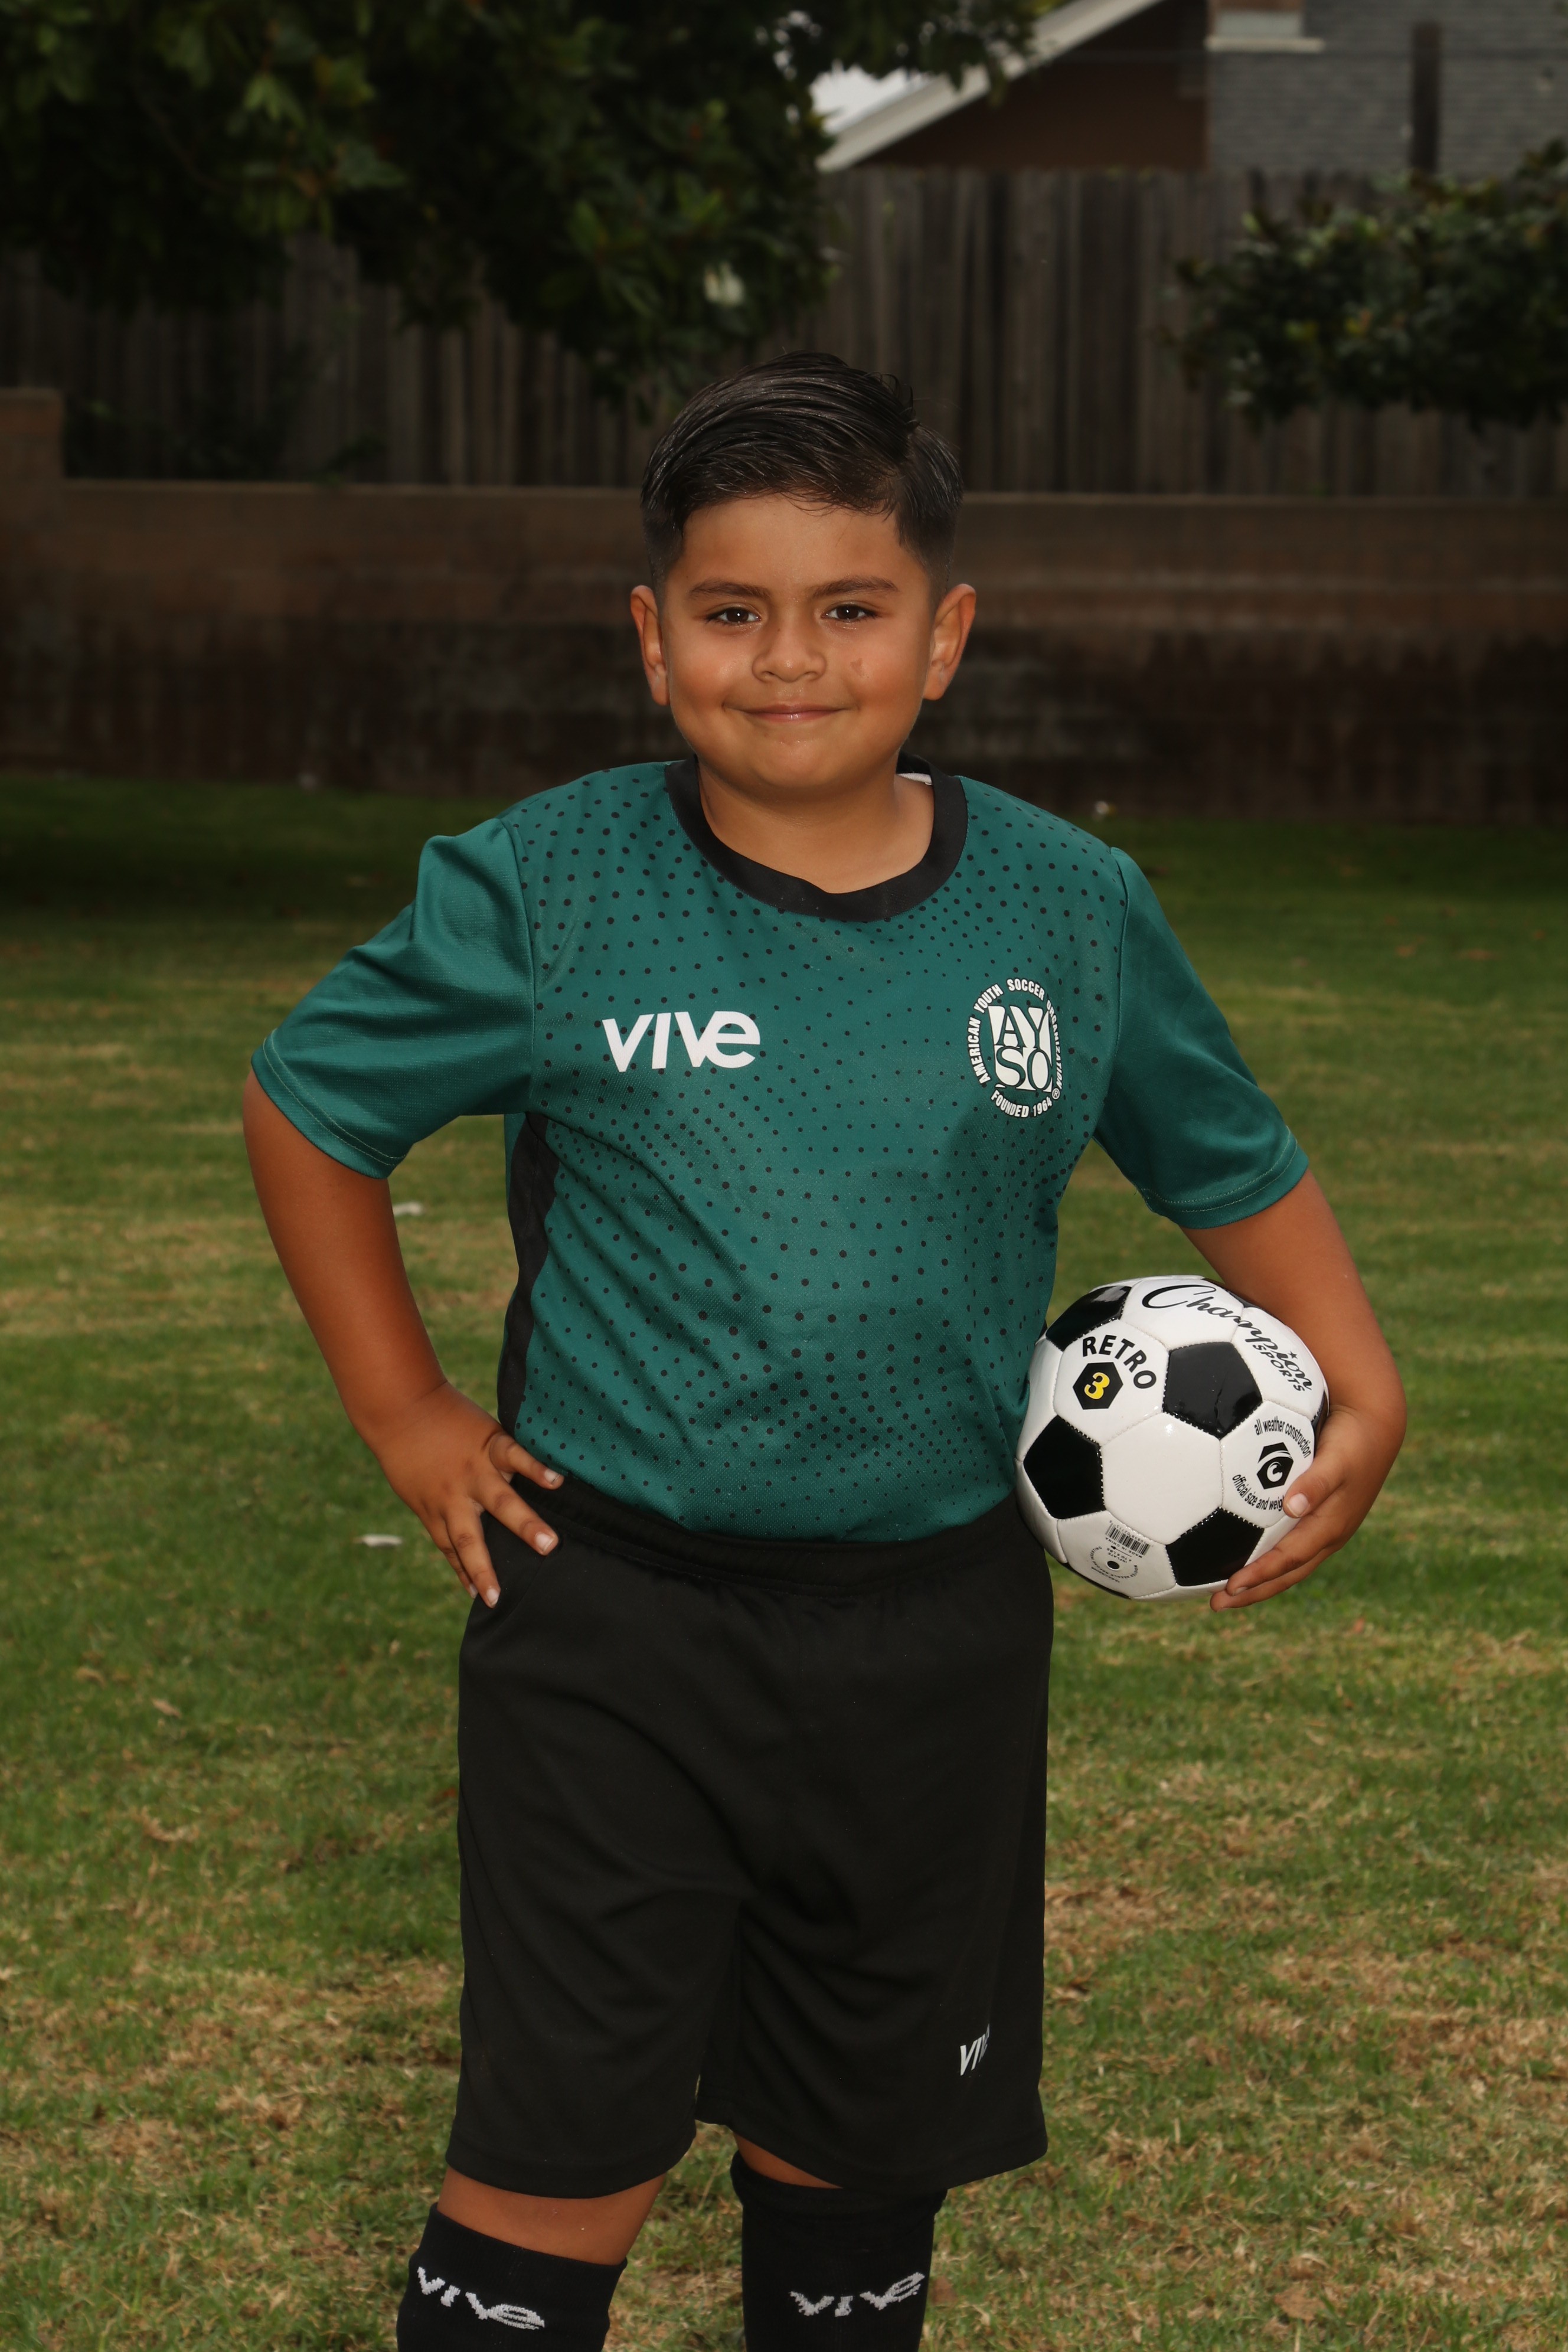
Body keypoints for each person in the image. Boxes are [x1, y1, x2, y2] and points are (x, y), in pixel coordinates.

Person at [243, 353, 1406, 2350]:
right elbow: (309, 1106)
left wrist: (1360, 1377)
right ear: (653, 637)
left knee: (856, 2164)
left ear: (943, 637)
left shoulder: (1066, 905)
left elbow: (1225, 1149)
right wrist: (408, 1411)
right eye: (734, 610)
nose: (791, 659)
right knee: (557, 2158)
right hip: (614, 1623)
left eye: (851, 608)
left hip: (935, 1638)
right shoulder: (550, 888)